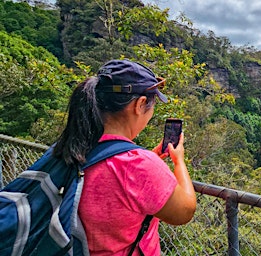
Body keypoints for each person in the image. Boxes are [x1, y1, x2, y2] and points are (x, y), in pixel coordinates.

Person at [52, 59, 197, 255]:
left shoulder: (71, 146)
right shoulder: (138, 165)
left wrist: (150, 159)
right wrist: (178, 161)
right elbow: (184, 211)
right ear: (140, 104)